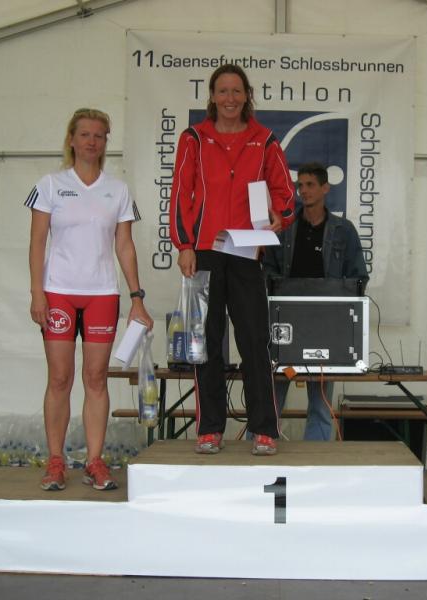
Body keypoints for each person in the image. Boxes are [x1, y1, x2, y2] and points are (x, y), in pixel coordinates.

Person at [169, 64, 295, 456]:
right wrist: (184, 245)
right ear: (212, 96)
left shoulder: (265, 139)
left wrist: (280, 216)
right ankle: (210, 428)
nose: (229, 98)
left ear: (246, 95)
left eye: (236, 91)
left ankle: (264, 429)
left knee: (254, 340)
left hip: (246, 249)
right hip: (204, 251)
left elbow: (284, 193)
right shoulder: (193, 138)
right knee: (205, 341)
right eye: (222, 91)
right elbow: (180, 193)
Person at [26, 108, 153, 491]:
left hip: (102, 294)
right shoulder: (50, 185)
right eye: (85, 134)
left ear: (105, 142)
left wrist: (137, 297)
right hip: (59, 293)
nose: (92, 141)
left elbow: (124, 245)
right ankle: (55, 461)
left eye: (99, 136)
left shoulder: (118, 190)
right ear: (71, 139)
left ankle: (95, 461)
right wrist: (37, 292)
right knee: (60, 378)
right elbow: (37, 242)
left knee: (96, 379)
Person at [263, 162, 368, 440]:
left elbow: (358, 277)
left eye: (310, 185)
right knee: (273, 393)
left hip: (327, 326)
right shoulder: (285, 228)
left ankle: (316, 455)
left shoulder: (344, 230)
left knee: (321, 401)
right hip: (286, 323)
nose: (304, 191)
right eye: (300, 185)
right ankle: (264, 443)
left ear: (325, 188)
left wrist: (340, 311)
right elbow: (268, 270)